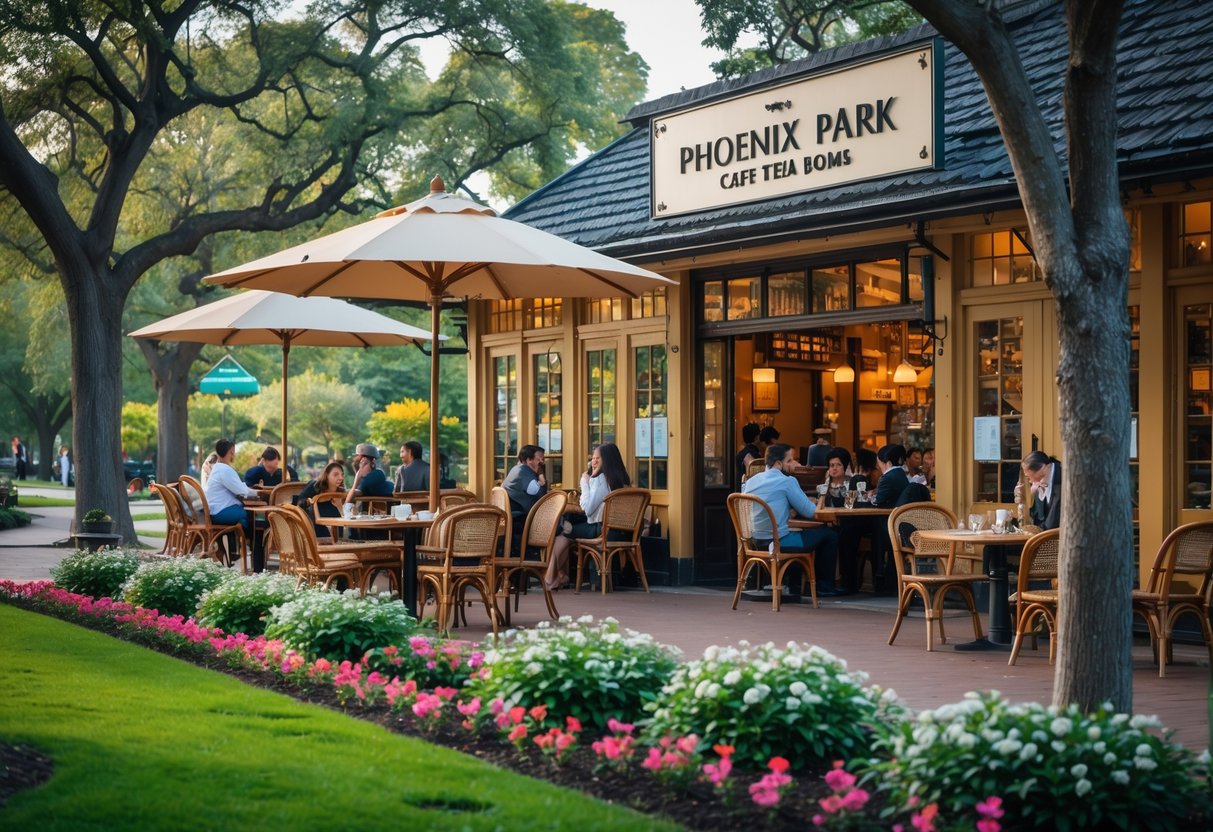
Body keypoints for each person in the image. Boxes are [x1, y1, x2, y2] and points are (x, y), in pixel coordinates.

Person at [741, 443, 842, 596]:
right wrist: (814, 501)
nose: (794, 464)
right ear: (779, 464)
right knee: (829, 535)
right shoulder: (787, 481)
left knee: (800, 534)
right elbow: (809, 512)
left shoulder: (750, 482)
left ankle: (795, 587)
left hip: (754, 542)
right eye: (790, 460)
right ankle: (823, 587)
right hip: (778, 543)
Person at [545, 442, 629, 591]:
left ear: (607, 460)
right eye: (593, 458)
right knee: (567, 528)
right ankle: (560, 576)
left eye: (598, 458)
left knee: (562, 531)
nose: (593, 462)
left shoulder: (601, 479)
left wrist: (584, 483)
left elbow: (588, 509)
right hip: (620, 531)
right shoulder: (621, 479)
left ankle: (551, 578)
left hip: (601, 529)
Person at [202, 438, 259, 537]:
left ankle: (236, 547)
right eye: (233, 452)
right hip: (220, 512)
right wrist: (257, 492)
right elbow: (241, 491)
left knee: (246, 516)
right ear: (231, 452)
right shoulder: (225, 470)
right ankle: (250, 547)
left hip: (214, 510)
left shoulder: (217, 468)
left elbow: (237, 488)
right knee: (251, 516)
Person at [294, 461, 346, 539]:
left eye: (342, 474)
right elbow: (299, 502)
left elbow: (343, 512)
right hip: (311, 517)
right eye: (336, 475)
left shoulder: (339, 491)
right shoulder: (315, 485)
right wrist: (309, 502)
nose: (341, 478)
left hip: (329, 512)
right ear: (326, 475)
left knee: (339, 529)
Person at [1019, 450, 1062, 531]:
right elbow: (1037, 518)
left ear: (1042, 468)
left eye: (1028, 477)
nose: (1029, 481)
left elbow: (1052, 524)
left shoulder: (1061, 478)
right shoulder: (1042, 482)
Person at [502, 444, 547, 516]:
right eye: (538, 459)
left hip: (514, 516)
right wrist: (541, 475)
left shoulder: (516, 469)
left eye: (542, 459)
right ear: (529, 460)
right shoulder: (524, 472)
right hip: (522, 519)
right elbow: (541, 496)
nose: (542, 463)